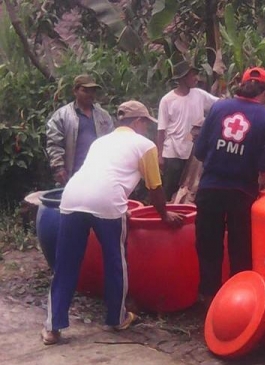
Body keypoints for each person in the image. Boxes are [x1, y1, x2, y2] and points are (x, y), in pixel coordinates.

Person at [41, 101, 184, 345]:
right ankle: (116, 319)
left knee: (65, 264)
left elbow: (104, 173)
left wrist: (120, 208)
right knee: (115, 262)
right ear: (137, 122)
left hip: (72, 197)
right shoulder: (145, 145)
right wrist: (164, 215)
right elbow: (155, 188)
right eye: (146, 124)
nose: (147, 130)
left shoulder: (101, 141)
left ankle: (52, 329)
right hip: (106, 203)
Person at [193, 67, 265, 304]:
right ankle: (238, 304)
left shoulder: (218, 108)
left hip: (209, 189)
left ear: (241, 84)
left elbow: (200, 151)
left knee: (208, 246)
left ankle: (208, 300)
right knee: (241, 250)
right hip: (242, 194)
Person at [157, 60, 219, 201]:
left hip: (195, 151)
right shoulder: (167, 100)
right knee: (170, 187)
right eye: (192, 76)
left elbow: (218, 104)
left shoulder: (199, 95)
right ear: (183, 78)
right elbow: (161, 129)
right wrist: (160, 155)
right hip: (173, 151)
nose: (196, 78)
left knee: (193, 188)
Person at [46, 74, 114, 186]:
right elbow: (54, 144)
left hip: (99, 175)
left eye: (93, 91)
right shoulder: (62, 115)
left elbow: (112, 144)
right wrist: (58, 167)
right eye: (85, 90)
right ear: (75, 91)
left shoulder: (104, 116)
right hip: (72, 175)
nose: (90, 94)